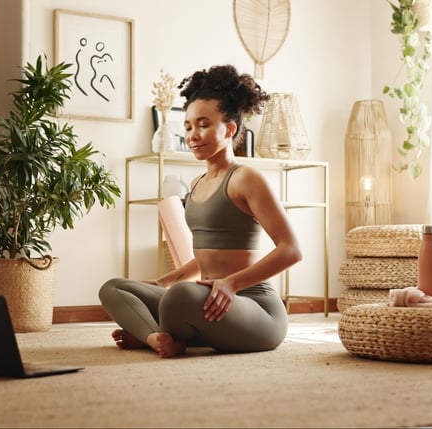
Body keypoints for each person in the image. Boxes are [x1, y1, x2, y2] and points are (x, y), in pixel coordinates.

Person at [99, 64, 302, 358]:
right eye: (189, 126)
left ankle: (154, 333)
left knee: (179, 298)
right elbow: (208, 254)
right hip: (207, 299)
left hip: (253, 308)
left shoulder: (246, 178)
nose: (193, 135)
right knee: (115, 287)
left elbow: (291, 249)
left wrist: (231, 283)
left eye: (204, 125)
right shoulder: (196, 184)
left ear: (229, 129)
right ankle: (156, 338)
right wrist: (164, 281)